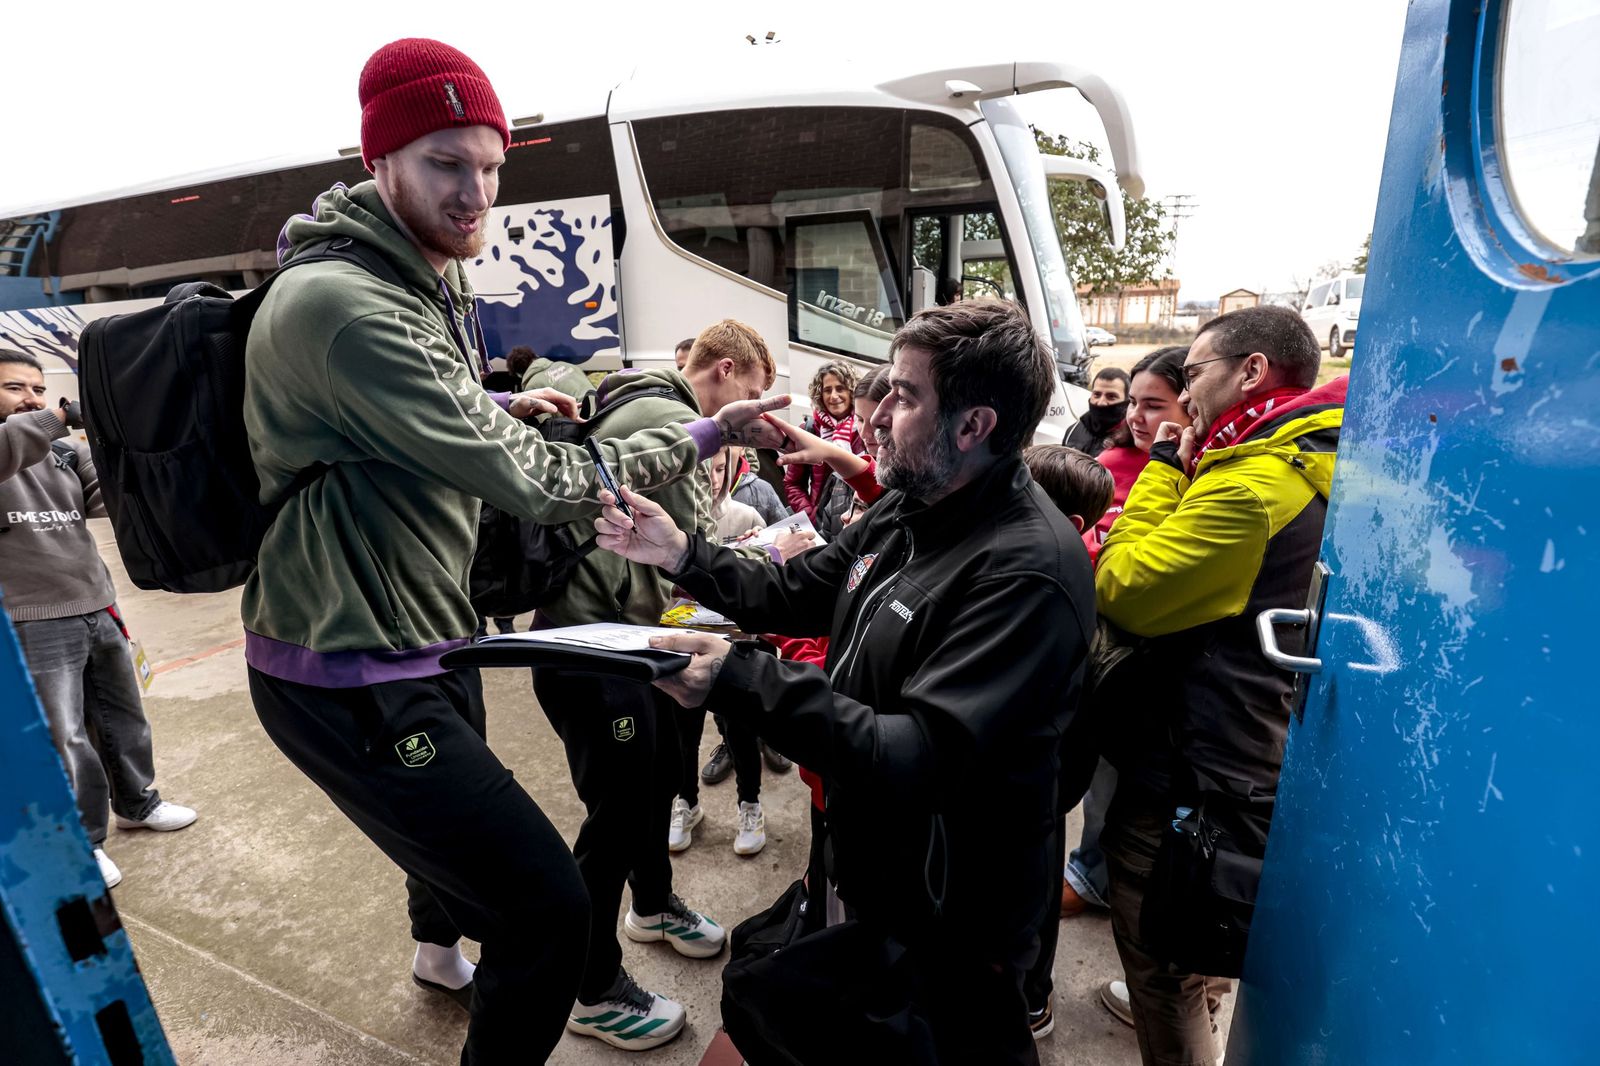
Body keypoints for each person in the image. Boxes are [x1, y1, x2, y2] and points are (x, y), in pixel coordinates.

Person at [239, 38, 787, 1066]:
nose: (475, 192)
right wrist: (707, 436)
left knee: (464, 856)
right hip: (346, 666)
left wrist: (487, 402)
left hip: (424, 637)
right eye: (447, 162)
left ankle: (436, 953)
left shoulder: (408, 280)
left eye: (491, 166)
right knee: (544, 915)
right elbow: (538, 481)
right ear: (381, 162)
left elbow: (387, 419)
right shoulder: (348, 304)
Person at [597, 299, 1096, 1064]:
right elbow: (805, 588)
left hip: (947, 910)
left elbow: (917, 751)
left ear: (975, 427)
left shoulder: (1025, 571)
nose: (875, 416)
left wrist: (738, 676)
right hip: (865, 864)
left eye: (905, 396)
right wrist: (681, 555)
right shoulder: (911, 501)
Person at [533, 319, 795, 1050]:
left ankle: (651, 906)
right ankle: (590, 986)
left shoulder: (652, 404)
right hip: (595, 648)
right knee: (615, 816)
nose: (750, 416)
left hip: (623, 640)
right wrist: (775, 555)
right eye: (750, 393)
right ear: (721, 369)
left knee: (648, 790)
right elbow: (694, 550)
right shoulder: (669, 418)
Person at [1096, 305, 1347, 1066]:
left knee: (1161, 964)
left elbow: (1127, 583)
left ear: (1251, 372)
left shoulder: (1249, 485)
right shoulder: (1313, 454)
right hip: (1254, 743)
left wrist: (1166, 472)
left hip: (1197, 764)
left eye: (1194, 372)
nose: (1186, 392)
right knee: (1200, 945)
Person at [0, 352, 197, 890]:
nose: (32, 398)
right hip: (29, 621)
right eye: (15, 388)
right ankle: (80, 842)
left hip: (95, 605)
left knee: (120, 718)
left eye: (38, 388)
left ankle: (137, 802)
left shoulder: (59, 452)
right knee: (64, 738)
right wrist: (60, 417)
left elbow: (111, 499)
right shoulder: (16, 445)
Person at [1016, 444, 1115, 1039]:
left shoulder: (1056, 584)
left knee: (1031, 888)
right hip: (1050, 771)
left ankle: (1031, 997)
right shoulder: (1060, 563)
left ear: (1070, 527)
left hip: (1043, 775)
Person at [781, 361, 862, 520]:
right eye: (827, 390)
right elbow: (792, 483)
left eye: (840, 388)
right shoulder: (809, 430)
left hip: (855, 520)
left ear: (852, 391)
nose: (833, 396)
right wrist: (810, 514)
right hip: (820, 524)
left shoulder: (864, 428)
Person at [1063, 366, 1132, 457]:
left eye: (1111, 396)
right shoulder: (1073, 431)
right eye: (1097, 395)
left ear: (1127, 401)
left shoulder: (1132, 438)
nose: (1101, 402)